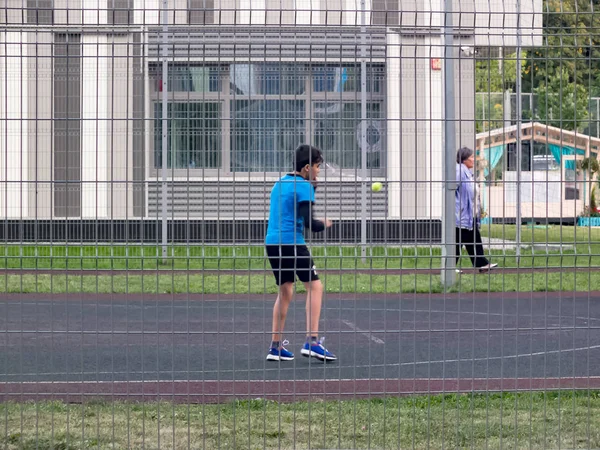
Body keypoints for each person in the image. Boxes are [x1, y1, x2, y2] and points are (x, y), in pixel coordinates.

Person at [264, 144, 337, 362]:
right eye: (317, 167)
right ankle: (312, 341)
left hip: (272, 243)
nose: (318, 171)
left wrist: (312, 188)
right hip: (292, 243)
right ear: (307, 167)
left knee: (285, 291)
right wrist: (326, 223)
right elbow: (310, 224)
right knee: (315, 286)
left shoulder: (279, 183)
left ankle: (275, 346)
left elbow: (292, 207)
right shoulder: (303, 186)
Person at [455, 147, 498, 273]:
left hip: (469, 215)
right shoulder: (459, 171)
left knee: (474, 238)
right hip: (460, 215)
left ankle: (481, 264)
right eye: (472, 157)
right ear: (464, 159)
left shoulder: (467, 172)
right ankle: (449, 268)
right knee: (457, 242)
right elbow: (451, 189)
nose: (474, 160)